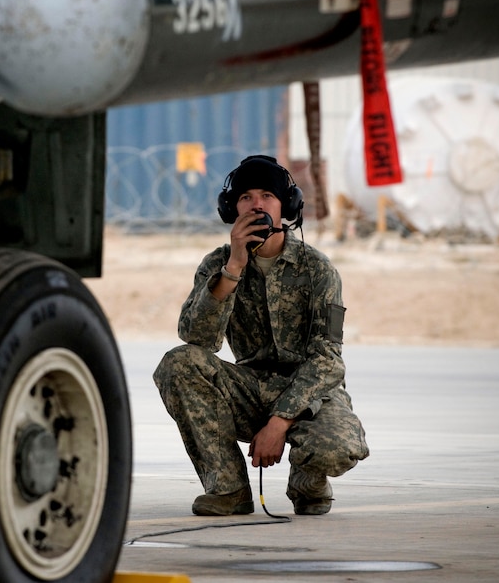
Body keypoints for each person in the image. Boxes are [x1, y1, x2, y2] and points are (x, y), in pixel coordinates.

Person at [153, 155, 369, 516]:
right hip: (251, 388)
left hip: (311, 394)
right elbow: (197, 339)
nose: (257, 205)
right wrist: (233, 268)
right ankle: (228, 487)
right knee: (178, 363)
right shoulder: (217, 265)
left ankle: (308, 479)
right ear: (231, 209)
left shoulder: (316, 268)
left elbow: (328, 359)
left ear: (286, 206)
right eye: (246, 197)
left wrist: (280, 421)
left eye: (267, 195)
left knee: (335, 446)